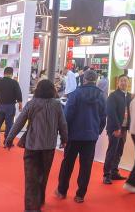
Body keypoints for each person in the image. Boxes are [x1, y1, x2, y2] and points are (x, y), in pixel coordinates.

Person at [6, 80, 67, 212]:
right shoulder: (57, 105)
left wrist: (9, 138)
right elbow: (63, 123)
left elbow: (19, 122)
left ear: (38, 89)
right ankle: (39, 200)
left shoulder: (31, 104)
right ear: (52, 90)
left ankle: (31, 207)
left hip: (32, 145)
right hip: (49, 146)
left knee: (31, 178)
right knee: (43, 175)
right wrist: (64, 139)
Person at [55, 69, 106, 203]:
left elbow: (67, 115)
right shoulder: (101, 96)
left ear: (84, 79)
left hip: (73, 135)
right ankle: (80, 195)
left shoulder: (76, 94)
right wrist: (96, 131)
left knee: (67, 164)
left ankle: (61, 191)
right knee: (86, 166)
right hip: (90, 137)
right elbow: (103, 117)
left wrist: (64, 134)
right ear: (96, 80)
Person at [103, 75, 131, 184]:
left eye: (125, 81)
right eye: (121, 81)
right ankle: (106, 174)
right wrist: (116, 127)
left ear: (128, 83)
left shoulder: (129, 96)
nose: (123, 83)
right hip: (115, 128)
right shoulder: (113, 95)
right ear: (118, 83)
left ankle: (114, 172)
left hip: (124, 128)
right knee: (112, 151)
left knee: (119, 151)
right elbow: (110, 112)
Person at [0, 66, 23, 148]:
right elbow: (19, 94)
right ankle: (7, 142)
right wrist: (20, 104)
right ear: (12, 74)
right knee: (9, 125)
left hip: (0, 105)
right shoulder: (14, 83)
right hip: (10, 106)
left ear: (4, 73)